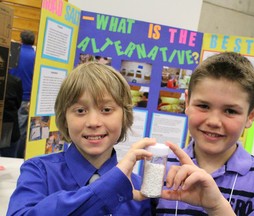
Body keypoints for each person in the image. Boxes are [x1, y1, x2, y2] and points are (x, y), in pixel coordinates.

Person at [6, 62, 157, 215]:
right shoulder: (40, 172)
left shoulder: (139, 188)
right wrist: (109, 187)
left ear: (125, 116)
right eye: (80, 110)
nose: (93, 122)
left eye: (106, 110)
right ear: (64, 118)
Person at [156, 52, 254, 215]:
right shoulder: (161, 165)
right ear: (187, 103)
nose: (214, 121)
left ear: (251, 116)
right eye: (203, 106)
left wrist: (217, 206)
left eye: (230, 111)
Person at [9, 30, 36, 158]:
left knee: (9, 128)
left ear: (21, 39)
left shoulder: (15, 52)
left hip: (10, 95)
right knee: (21, 131)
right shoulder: (35, 56)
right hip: (26, 97)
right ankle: (18, 157)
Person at [0, 73, 23, 157]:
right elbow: (18, 104)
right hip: (9, 124)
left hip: (9, 125)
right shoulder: (15, 81)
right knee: (9, 160)